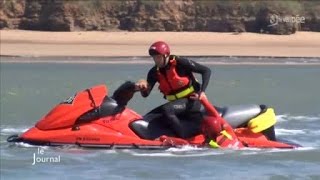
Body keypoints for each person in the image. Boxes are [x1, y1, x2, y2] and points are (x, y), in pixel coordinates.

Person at [135, 41, 211, 138]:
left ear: (166, 55)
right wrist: (142, 86)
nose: (156, 60)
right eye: (154, 58)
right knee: (147, 118)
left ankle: (184, 138)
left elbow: (206, 71)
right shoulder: (154, 72)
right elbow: (146, 94)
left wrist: (202, 92)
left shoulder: (180, 63)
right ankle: (151, 138)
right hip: (177, 104)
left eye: (158, 57)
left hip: (192, 101)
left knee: (167, 109)